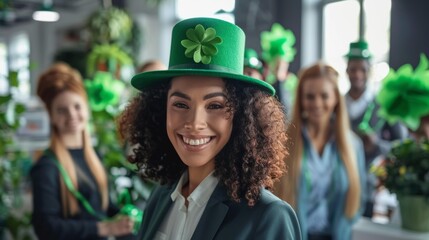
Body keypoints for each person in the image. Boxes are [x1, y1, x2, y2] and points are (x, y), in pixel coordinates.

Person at [118, 17, 302, 240]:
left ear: (242, 116)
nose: (195, 123)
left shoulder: (268, 216)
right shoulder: (160, 197)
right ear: (160, 110)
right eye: (180, 104)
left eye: (215, 105)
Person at [31, 62, 135, 240]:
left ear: (86, 107)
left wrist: (129, 220)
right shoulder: (47, 167)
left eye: (77, 106)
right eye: (62, 110)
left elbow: (104, 208)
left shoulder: (94, 156)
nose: (71, 115)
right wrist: (105, 229)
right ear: (51, 116)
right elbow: (46, 228)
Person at [274, 62, 366, 240]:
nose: (316, 103)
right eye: (309, 96)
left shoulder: (353, 146)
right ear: (300, 100)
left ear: (336, 99)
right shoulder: (284, 143)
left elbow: (358, 201)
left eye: (324, 96)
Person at [344, 40, 408, 218]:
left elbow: (402, 146)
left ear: (369, 71)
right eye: (353, 69)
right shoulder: (336, 105)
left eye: (362, 69)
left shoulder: (381, 107)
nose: (357, 74)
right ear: (346, 70)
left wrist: (377, 145)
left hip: (367, 187)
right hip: (338, 183)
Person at [260, 23, 299, 115]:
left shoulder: (293, 81)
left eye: (282, 62)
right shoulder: (266, 83)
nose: (279, 65)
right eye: (276, 63)